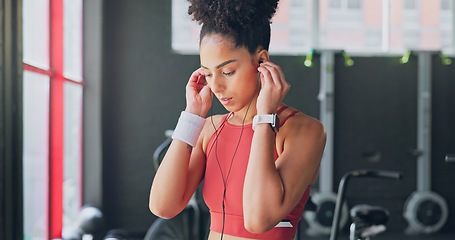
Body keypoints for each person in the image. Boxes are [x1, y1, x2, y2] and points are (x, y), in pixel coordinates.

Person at [149, 0, 326, 239]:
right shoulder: (210, 129)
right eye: (208, 73)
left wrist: (264, 120)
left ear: (261, 60)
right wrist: (191, 117)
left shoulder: (302, 130)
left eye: (228, 72)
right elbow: (163, 206)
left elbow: (258, 219)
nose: (217, 86)